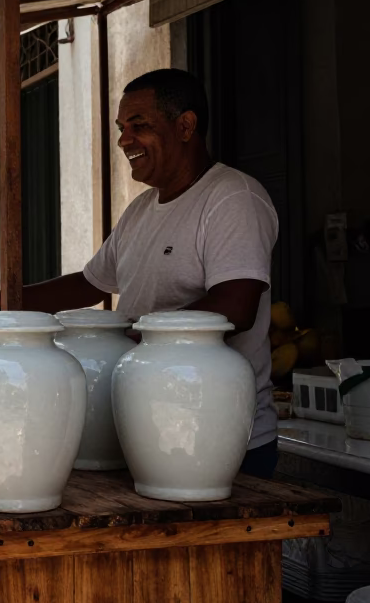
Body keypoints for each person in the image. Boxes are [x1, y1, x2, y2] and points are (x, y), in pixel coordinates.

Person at [18, 68, 280, 478]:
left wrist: (124, 344)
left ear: (185, 126)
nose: (124, 140)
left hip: (218, 441)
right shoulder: (139, 211)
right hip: (141, 431)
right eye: (122, 128)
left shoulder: (232, 198)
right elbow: (89, 283)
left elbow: (236, 305)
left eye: (139, 126)